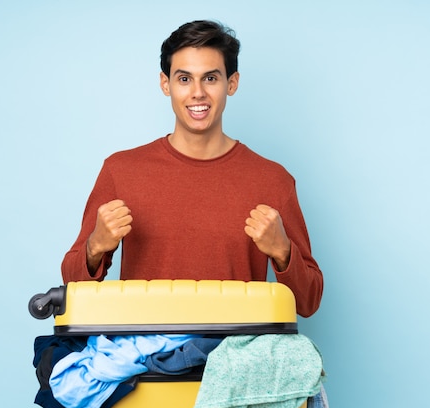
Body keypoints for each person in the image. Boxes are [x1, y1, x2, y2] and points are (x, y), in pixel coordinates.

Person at [61, 20, 323, 318]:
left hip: (234, 356)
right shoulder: (120, 171)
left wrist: (283, 251)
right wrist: (95, 247)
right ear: (165, 84)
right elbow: (72, 285)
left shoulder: (273, 180)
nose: (197, 92)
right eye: (184, 79)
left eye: (210, 78)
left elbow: (309, 302)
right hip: (146, 354)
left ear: (232, 83)